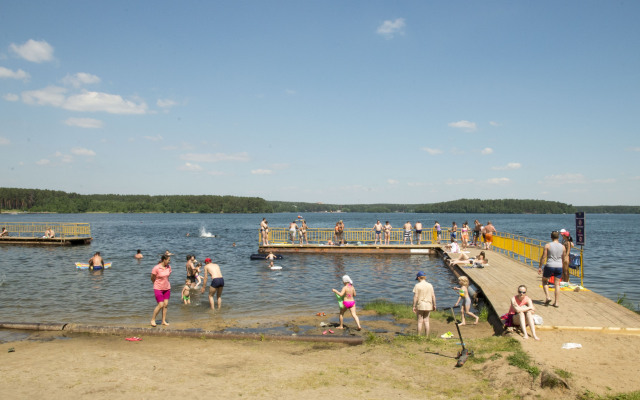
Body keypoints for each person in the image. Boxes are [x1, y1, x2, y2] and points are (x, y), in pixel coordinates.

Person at [538, 231, 566, 308]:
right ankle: (556, 302)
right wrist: (562, 267)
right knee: (557, 284)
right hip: (559, 266)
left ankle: (548, 297)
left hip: (550, 265)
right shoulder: (563, 247)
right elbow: (564, 258)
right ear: (558, 237)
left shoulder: (547, 245)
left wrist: (540, 267)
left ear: (551, 237)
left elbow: (544, 257)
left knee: (544, 281)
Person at [150, 254, 172, 327]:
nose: (169, 261)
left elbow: (167, 277)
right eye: (168, 260)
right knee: (161, 304)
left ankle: (163, 321)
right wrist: (156, 284)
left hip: (167, 288)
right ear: (164, 260)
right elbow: (152, 277)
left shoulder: (169, 267)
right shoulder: (156, 268)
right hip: (158, 288)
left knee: (165, 305)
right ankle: (153, 320)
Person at [412, 271, 436, 336]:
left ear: (419, 278)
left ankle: (418, 336)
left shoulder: (417, 285)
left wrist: (414, 306)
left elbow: (415, 297)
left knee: (420, 321)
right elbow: (433, 296)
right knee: (426, 321)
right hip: (428, 305)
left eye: (417, 279)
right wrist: (434, 305)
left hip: (421, 305)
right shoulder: (430, 285)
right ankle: (427, 336)